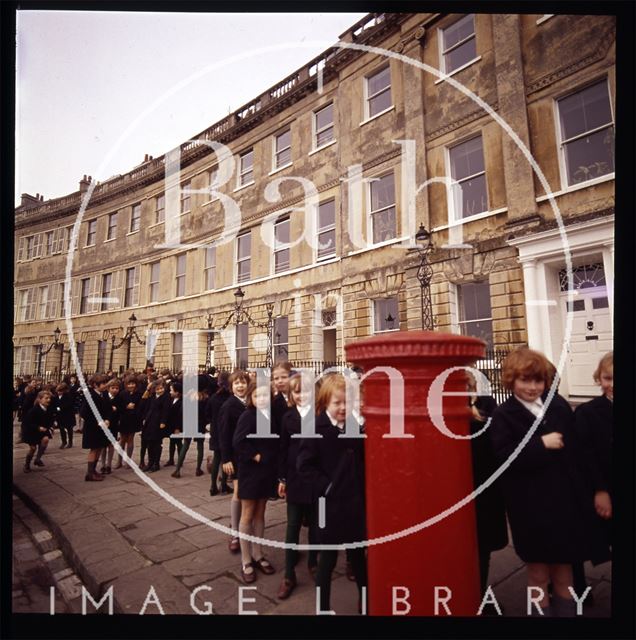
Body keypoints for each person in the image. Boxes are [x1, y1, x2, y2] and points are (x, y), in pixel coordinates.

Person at [489, 348, 610, 617]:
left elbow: (578, 453)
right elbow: (503, 458)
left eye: (538, 381)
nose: (533, 387)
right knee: (538, 574)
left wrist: (597, 490)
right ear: (511, 381)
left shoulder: (558, 406)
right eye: (525, 380)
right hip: (530, 510)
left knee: (565, 574)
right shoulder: (504, 415)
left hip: (565, 505)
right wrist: (540, 445)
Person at [297, 373, 367, 614]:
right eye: (337, 403)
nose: (343, 407)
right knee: (327, 561)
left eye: (347, 402)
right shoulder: (314, 428)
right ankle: (323, 608)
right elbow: (304, 466)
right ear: (325, 401)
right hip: (327, 506)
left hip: (354, 503)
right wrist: (326, 487)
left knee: (359, 558)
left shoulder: (354, 426)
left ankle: (365, 602)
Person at [572, 351, 614, 598]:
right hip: (605, 488)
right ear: (598, 378)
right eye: (608, 378)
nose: (613, 384)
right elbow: (585, 455)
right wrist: (600, 490)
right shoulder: (587, 413)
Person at [466, 371, 508, 603]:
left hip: (483, 487)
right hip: (456, 490)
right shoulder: (438, 404)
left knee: (482, 550)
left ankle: (478, 595)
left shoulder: (487, 406)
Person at [276, 373, 319, 599]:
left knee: (315, 525)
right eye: (297, 391)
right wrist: (282, 479)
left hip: (315, 478)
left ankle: (313, 562)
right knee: (292, 525)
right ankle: (289, 573)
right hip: (294, 477)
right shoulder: (287, 418)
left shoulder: (321, 415)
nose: (302, 395)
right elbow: (282, 449)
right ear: (292, 394)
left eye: (306, 390)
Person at [233, 383, 279, 583]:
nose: (261, 399)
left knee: (261, 513)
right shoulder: (247, 416)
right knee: (247, 514)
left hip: (267, 472)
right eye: (257, 396)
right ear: (251, 398)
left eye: (265, 395)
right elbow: (239, 441)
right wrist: (256, 456)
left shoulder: (271, 417)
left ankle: (258, 554)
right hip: (251, 472)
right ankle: (246, 560)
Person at [219, 370, 250, 553]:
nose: (240, 386)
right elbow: (223, 434)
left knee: (249, 494)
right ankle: (235, 533)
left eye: (243, 382)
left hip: (251, 456)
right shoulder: (229, 406)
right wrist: (226, 459)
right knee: (238, 492)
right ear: (231, 387)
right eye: (236, 383)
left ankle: (243, 524)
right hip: (236, 456)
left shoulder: (251, 403)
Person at [81, 374, 112, 481]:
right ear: (95, 385)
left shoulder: (104, 394)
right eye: (103, 383)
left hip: (103, 426)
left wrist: (108, 419)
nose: (105, 385)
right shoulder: (90, 396)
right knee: (94, 449)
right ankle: (89, 473)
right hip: (92, 428)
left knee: (99, 448)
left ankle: (94, 470)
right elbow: (84, 413)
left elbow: (108, 409)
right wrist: (99, 422)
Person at [172, 384, 208, 478]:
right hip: (200, 425)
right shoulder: (203, 398)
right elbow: (206, 413)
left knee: (185, 445)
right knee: (200, 447)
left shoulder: (187, 398)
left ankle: (177, 469)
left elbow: (181, 413)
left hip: (189, 424)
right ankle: (198, 469)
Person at [206, 371, 232, 495]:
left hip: (215, 430)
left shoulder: (213, 398)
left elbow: (208, 415)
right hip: (227, 431)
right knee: (226, 457)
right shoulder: (231, 398)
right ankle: (224, 485)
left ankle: (212, 486)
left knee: (217, 457)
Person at [22, 390, 55, 472]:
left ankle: (37, 459)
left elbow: (50, 419)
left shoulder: (49, 409)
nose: (48, 400)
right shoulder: (33, 410)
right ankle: (26, 465)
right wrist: (38, 427)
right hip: (31, 431)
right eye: (46, 398)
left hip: (42, 430)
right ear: (40, 399)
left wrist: (51, 426)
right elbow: (27, 423)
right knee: (33, 448)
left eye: (49, 398)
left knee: (45, 440)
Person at [141, 379, 170, 472]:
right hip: (150, 422)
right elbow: (145, 406)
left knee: (157, 444)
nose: (160, 390)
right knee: (149, 443)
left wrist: (163, 422)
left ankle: (156, 463)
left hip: (158, 423)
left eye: (161, 388)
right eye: (158, 389)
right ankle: (150, 462)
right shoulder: (152, 396)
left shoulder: (166, 397)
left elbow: (166, 411)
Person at [115, 375, 143, 469]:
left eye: (133, 383)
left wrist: (135, 410)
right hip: (124, 419)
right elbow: (118, 407)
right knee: (122, 440)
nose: (131, 385)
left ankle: (128, 461)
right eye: (129, 384)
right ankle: (119, 461)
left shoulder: (139, 394)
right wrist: (126, 407)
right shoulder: (122, 394)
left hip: (133, 419)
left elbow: (141, 407)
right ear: (126, 384)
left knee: (130, 439)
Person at [99, 378, 123, 474]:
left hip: (113, 424)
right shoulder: (104, 396)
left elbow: (122, 409)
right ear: (108, 388)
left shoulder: (119, 398)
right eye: (113, 388)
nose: (115, 390)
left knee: (111, 444)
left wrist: (116, 408)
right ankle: (103, 464)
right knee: (103, 446)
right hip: (105, 423)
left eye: (117, 388)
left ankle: (109, 464)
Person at [163, 381, 184, 468]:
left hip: (177, 426)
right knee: (172, 443)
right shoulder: (171, 399)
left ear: (177, 392)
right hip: (171, 425)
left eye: (172, 390)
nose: (170, 392)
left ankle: (180, 459)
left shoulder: (182, 402)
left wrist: (178, 427)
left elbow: (180, 416)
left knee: (179, 443)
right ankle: (171, 459)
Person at [53, 382, 75, 449]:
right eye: (58, 391)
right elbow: (55, 404)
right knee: (61, 429)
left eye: (60, 391)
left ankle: (70, 442)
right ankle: (64, 441)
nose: (59, 392)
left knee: (69, 429)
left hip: (68, 415)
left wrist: (59, 408)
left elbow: (68, 405)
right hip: (60, 415)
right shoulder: (56, 396)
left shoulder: (68, 396)